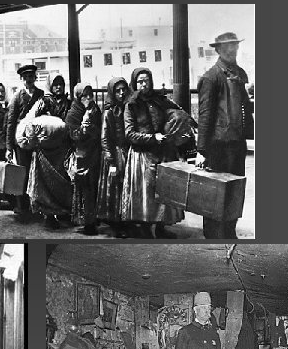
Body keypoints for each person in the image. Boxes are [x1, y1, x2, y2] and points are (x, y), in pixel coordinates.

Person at [197, 32, 253, 239]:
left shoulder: (237, 74)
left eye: (235, 47)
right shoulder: (211, 78)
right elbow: (205, 115)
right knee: (214, 194)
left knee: (235, 192)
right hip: (217, 147)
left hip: (236, 145)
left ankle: (229, 231)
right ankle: (213, 236)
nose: (232, 51)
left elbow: (245, 106)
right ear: (218, 50)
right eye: (227, 47)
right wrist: (202, 151)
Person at [122, 67, 185, 238]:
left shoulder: (159, 100)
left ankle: (160, 228)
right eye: (140, 81)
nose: (143, 84)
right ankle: (144, 228)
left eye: (146, 80)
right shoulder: (131, 105)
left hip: (162, 152)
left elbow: (175, 113)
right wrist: (151, 137)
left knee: (163, 191)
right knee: (145, 194)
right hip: (142, 155)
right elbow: (129, 134)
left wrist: (175, 126)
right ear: (135, 84)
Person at [24, 100, 73, 229]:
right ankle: (60, 212)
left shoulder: (33, 123)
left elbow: (31, 142)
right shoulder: (60, 123)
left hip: (41, 157)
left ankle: (48, 217)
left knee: (42, 188)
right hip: (57, 156)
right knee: (56, 185)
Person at [6, 64, 44, 222]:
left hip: (37, 139)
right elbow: (11, 122)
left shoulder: (41, 94)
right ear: (22, 79)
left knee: (36, 173)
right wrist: (9, 147)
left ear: (35, 77)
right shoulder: (17, 96)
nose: (29, 79)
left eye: (31, 76)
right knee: (23, 173)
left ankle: (36, 207)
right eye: (26, 77)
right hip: (21, 141)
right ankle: (22, 208)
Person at [65, 83, 102, 235]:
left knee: (94, 186)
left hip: (94, 152)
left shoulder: (95, 110)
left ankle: (94, 217)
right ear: (78, 97)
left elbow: (101, 128)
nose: (88, 98)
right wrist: (82, 129)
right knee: (84, 188)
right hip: (80, 154)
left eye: (90, 95)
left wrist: (92, 128)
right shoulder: (73, 113)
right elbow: (72, 135)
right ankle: (87, 222)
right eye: (84, 95)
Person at [97, 77, 131, 238]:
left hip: (127, 152)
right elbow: (104, 138)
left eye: (124, 89)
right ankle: (117, 224)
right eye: (117, 90)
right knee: (115, 189)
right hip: (115, 154)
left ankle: (127, 221)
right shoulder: (109, 111)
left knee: (127, 188)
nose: (122, 93)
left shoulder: (129, 108)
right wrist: (111, 161)